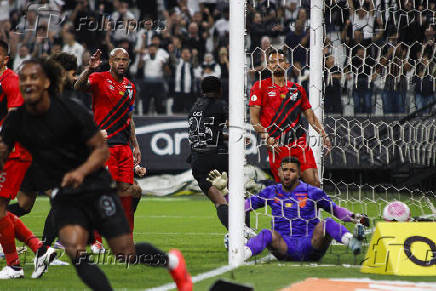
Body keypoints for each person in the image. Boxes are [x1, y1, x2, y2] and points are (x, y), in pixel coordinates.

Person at [0, 58, 192, 290]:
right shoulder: (16, 121)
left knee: (124, 253)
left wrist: (80, 172)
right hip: (65, 195)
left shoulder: (71, 112)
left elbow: (102, 151)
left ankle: (173, 263)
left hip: (95, 187)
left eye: (34, 77)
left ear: (47, 83)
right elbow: (4, 151)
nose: (28, 82)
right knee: (76, 252)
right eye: (24, 78)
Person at [210, 157, 369, 262]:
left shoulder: (312, 192)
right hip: (284, 247)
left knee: (327, 223)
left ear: (299, 174)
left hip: (311, 245)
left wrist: (356, 217)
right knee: (266, 233)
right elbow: (241, 209)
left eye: (292, 171)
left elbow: (336, 211)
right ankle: (241, 256)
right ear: (279, 172)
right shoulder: (271, 192)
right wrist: (225, 193)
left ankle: (352, 242)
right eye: (284, 170)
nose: (287, 173)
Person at [75, 48, 141, 253]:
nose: (121, 63)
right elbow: (79, 87)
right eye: (117, 59)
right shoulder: (99, 78)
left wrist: (135, 144)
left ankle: (126, 240)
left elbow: (128, 118)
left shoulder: (130, 87)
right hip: (105, 146)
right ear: (110, 62)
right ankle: (96, 241)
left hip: (123, 147)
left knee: (127, 193)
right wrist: (88, 69)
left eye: (124, 60)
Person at [0, 41, 55, 279]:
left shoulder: (11, 81)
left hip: (13, 153)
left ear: (5, 58)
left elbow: (13, 123)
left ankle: (14, 266)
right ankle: (39, 249)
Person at [249, 49, 331, 187]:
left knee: (314, 183)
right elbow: (254, 119)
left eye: (280, 61)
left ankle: (312, 209)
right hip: (277, 145)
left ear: (287, 65)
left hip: (299, 143)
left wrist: (324, 135)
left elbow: (311, 116)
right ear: (268, 66)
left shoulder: (297, 89)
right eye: (272, 62)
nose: (277, 64)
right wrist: (266, 137)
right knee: (286, 188)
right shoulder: (260, 87)